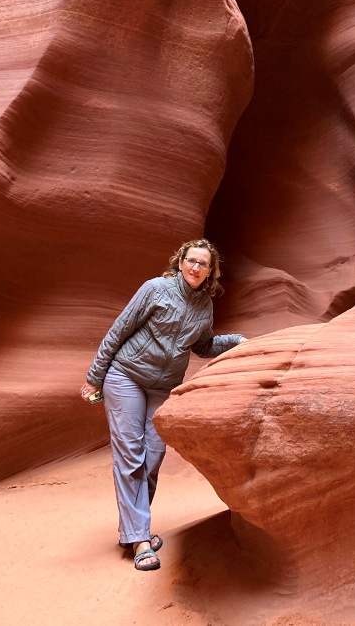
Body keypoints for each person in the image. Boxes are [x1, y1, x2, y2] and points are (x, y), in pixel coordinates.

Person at [81, 238, 246, 571]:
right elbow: (118, 331)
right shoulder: (155, 289)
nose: (196, 267)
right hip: (125, 376)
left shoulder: (205, 306)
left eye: (203, 264)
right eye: (191, 261)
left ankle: (134, 530)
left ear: (211, 271)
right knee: (131, 455)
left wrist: (236, 341)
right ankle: (140, 540)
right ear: (180, 262)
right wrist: (95, 377)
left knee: (153, 456)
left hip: (163, 387)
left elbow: (202, 346)